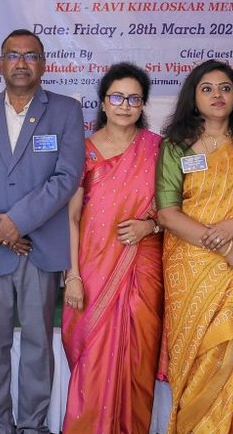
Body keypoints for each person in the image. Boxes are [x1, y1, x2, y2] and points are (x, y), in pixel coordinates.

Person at [0, 29, 84, 434]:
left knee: (37, 343)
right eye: (12, 55)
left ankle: (32, 426)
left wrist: (18, 222)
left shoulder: (65, 111)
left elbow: (67, 177)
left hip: (41, 247)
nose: (20, 62)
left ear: (43, 63)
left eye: (30, 55)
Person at [155, 59, 233, 432]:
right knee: (197, 356)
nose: (217, 95)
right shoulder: (176, 147)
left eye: (225, 88)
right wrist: (225, 247)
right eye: (207, 88)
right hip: (192, 265)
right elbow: (166, 213)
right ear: (193, 98)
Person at [61, 63, 164, 434]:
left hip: (143, 268)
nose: (125, 105)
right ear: (104, 102)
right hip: (91, 269)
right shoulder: (83, 150)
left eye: (134, 98)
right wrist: (72, 276)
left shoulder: (157, 149)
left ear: (143, 104)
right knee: (93, 361)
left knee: (136, 359)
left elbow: (172, 211)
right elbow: (71, 218)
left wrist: (148, 226)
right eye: (117, 97)